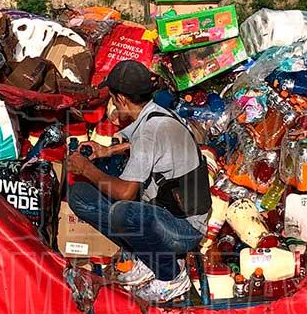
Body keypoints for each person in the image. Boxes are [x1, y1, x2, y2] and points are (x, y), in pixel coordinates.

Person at [67, 60, 210, 301]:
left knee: (124, 213)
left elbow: (126, 193)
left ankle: (171, 277)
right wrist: (106, 151)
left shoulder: (149, 132)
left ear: (121, 99)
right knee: (80, 195)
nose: (113, 104)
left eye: (113, 99)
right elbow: (146, 145)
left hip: (185, 229)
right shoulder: (157, 115)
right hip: (166, 215)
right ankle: (147, 259)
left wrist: (86, 168)